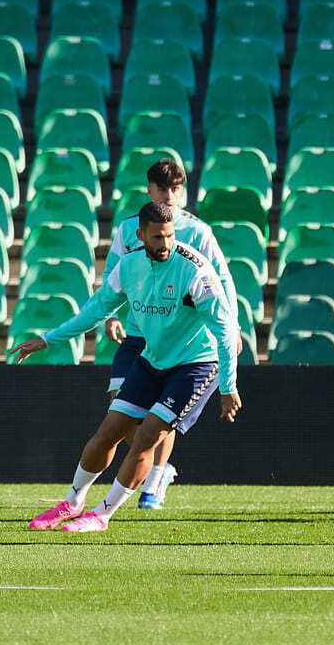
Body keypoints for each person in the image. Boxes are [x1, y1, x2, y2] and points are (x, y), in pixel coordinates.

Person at [11, 201, 240, 533]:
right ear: (140, 235)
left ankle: (102, 515)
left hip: (196, 364)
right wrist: (47, 340)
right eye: (158, 237)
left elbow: (223, 329)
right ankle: (73, 502)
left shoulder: (194, 270)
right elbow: (95, 311)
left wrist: (228, 386)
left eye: (170, 236)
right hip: (154, 358)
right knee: (109, 431)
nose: (166, 244)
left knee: (147, 435)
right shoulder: (129, 266)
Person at [101, 159, 238, 509]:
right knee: (120, 402)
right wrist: (111, 316)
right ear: (149, 190)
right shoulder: (128, 229)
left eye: (176, 188)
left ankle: (154, 481)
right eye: (163, 188)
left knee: (162, 412)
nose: (170, 194)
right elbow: (113, 276)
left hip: (179, 337)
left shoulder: (198, 232)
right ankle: (156, 469)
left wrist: (232, 325)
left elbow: (221, 282)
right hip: (138, 331)